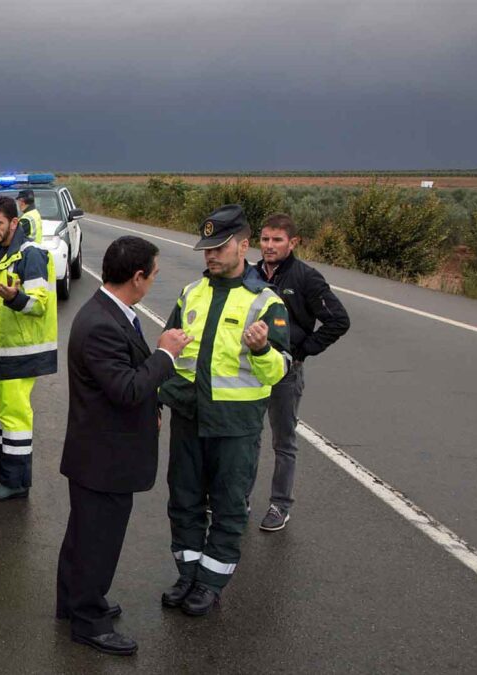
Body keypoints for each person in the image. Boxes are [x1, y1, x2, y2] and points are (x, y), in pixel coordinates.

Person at [57, 236, 192, 656]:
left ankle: (73, 602)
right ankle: (88, 620)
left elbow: (125, 382)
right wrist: (165, 356)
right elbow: (127, 388)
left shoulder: (115, 313)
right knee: (98, 541)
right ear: (137, 277)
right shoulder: (100, 324)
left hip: (100, 453)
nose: (154, 281)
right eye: (153, 275)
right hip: (103, 459)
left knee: (83, 535)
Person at [158, 204, 290, 616]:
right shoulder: (190, 293)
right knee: (184, 501)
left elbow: (280, 370)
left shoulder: (265, 302)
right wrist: (156, 397)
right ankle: (188, 574)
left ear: (243, 246)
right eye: (206, 248)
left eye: (220, 247)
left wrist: (262, 348)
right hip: (189, 418)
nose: (211, 255)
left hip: (234, 426)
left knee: (230, 506)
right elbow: (170, 352)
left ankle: (212, 584)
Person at [252, 213, 350, 531]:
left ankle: (280, 505)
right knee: (247, 437)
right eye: (265, 239)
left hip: (286, 373)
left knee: (284, 441)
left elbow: (338, 319)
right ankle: (238, 498)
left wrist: (303, 350)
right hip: (252, 369)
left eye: (277, 240)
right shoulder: (250, 276)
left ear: (293, 242)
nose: (269, 245)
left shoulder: (306, 278)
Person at [0, 196, 57, 501]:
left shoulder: (29, 256)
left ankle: (16, 482)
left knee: (15, 416)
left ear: (14, 223)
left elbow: (39, 304)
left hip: (19, 353)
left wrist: (14, 298)